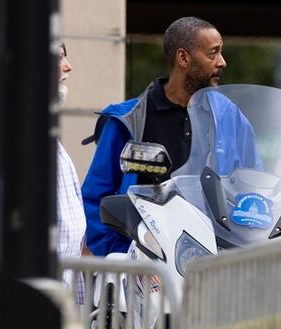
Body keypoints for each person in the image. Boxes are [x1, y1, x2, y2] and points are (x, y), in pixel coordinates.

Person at [81, 16, 226, 256]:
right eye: (213, 53)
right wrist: (123, 255)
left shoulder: (230, 119)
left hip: (213, 268)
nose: (222, 62)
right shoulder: (127, 119)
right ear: (183, 58)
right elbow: (96, 198)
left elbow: (250, 186)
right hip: (144, 274)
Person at [0, 42, 86, 260]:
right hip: (19, 285)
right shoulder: (6, 133)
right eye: (59, 57)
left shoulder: (39, 130)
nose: (68, 67)